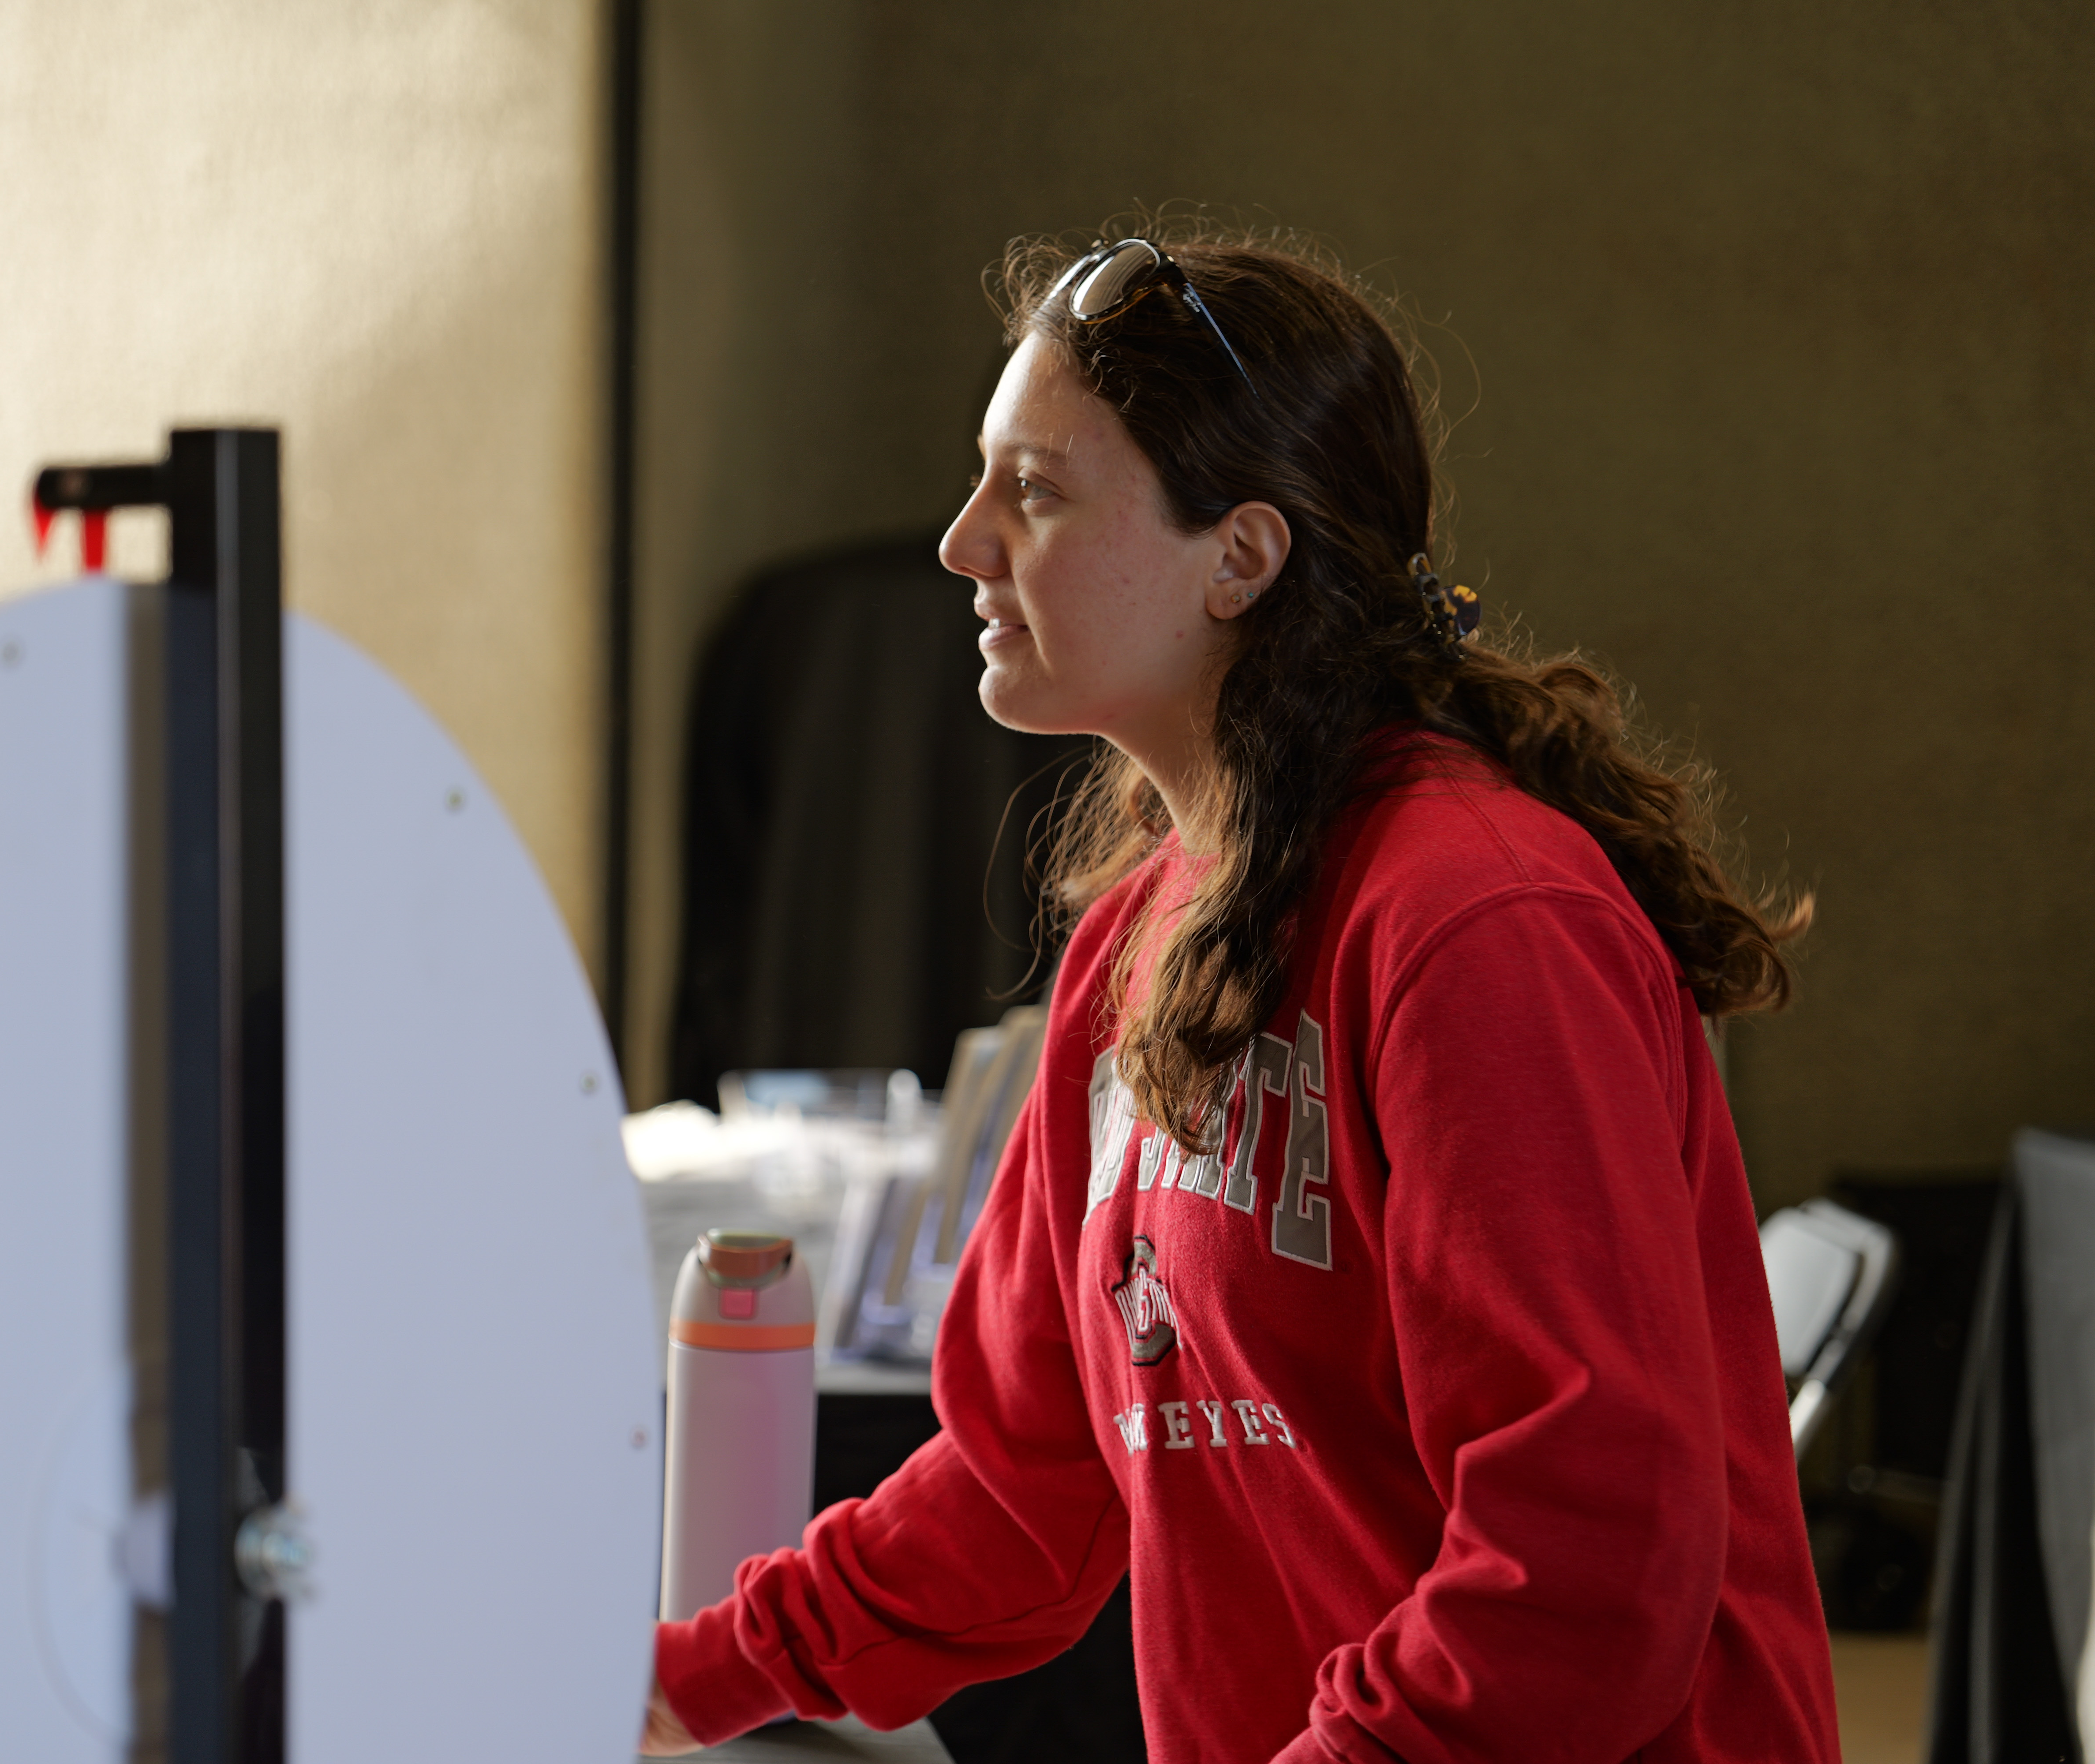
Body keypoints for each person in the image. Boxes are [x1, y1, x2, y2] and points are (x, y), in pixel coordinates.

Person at [640, 224, 1837, 1762]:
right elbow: (1021, 1490)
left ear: (1243, 556)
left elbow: (1584, 1563)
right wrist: (677, 1684)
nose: (963, 544)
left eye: (1039, 492)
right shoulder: (1133, 947)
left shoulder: (1479, 922)